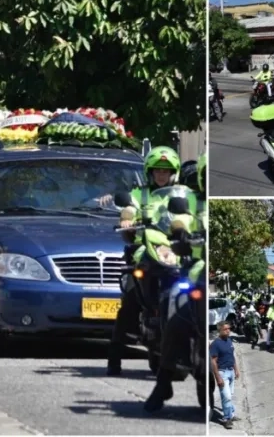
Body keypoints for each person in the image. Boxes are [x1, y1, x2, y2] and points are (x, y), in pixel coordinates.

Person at [108, 146, 182, 376]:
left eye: (166, 171)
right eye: (157, 171)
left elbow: (190, 215)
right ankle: (114, 357)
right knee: (130, 301)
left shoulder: (181, 195)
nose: (161, 175)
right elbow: (129, 208)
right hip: (143, 252)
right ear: (150, 172)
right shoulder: (140, 194)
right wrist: (127, 219)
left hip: (172, 251)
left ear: (173, 173)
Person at [143, 153, 206, 412]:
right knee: (174, 311)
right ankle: (163, 381)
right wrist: (180, 233)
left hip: (207, 271)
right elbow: (180, 219)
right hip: (194, 272)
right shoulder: (191, 201)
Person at [210, 321, 240, 429]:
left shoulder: (229, 340)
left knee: (230, 395)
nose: (228, 331)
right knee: (226, 396)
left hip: (231, 371)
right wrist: (218, 377)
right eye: (225, 329)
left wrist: (236, 370)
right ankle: (226, 418)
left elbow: (231, 356)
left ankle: (231, 414)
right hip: (222, 373)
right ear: (220, 330)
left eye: (229, 328)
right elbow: (213, 361)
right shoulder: (215, 344)